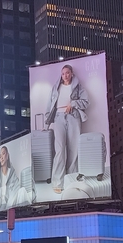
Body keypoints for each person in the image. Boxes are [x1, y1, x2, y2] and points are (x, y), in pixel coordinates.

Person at [44, 64, 89, 193]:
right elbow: (49, 105)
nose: (65, 75)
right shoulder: (55, 88)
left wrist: (73, 103)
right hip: (58, 117)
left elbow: (86, 101)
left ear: (72, 73)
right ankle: (57, 182)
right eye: (63, 73)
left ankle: (72, 181)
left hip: (73, 116)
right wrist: (46, 124)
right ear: (61, 75)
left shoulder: (78, 86)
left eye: (67, 73)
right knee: (59, 150)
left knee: (73, 149)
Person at [0, 145, 29, 213]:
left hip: (10, 205)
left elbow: (17, 187)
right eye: (0, 155)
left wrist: (10, 203)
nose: (1, 157)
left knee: (22, 190)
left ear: (7, 156)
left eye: (3, 153)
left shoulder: (12, 173)